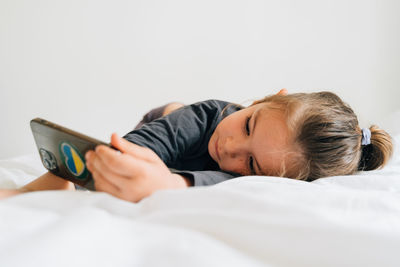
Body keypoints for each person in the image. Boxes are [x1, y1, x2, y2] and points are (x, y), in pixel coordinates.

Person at [0, 89, 393, 202]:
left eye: (253, 164)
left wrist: (170, 186)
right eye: (248, 124)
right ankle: (29, 190)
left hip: (180, 164)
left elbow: (223, 184)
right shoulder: (214, 116)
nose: (231, 147)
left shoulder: (257, 179)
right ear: (262, 100)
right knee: (177, 111)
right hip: (165, 123)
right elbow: (131, 151)